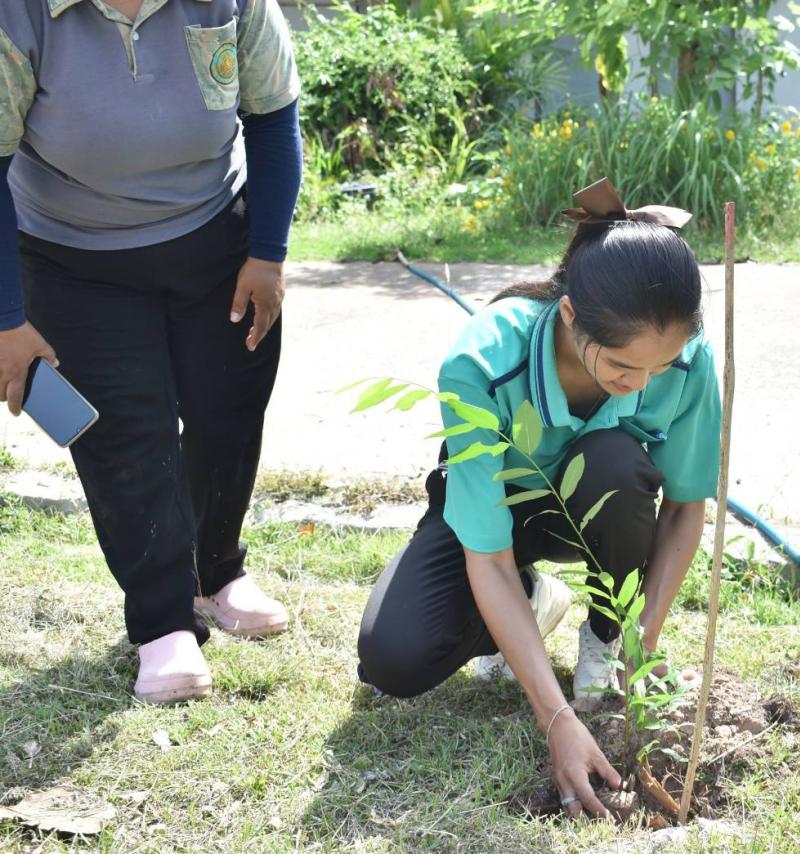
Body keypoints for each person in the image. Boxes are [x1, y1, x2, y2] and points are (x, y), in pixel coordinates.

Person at [357, 178, 722, 820]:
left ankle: (606, 640)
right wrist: (554, 716)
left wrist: (646, 640)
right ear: (571, 315)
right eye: (621, 368)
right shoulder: (483, 360)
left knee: (617, 463)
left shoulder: (684, 359)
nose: (641, 384)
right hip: (494, 520)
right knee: (394, 658)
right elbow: (487, 554)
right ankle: (531, 601)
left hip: (599, 504)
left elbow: (686, 505)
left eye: (659, 368)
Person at [0, 0, 304, 703]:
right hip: (74, 258)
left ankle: (216, 573)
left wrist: (268, 251)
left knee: (227, 409)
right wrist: (8, 317)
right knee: (125, 435)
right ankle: (163, 623)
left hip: (215, 240)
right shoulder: (22, 16)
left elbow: (272, 116)